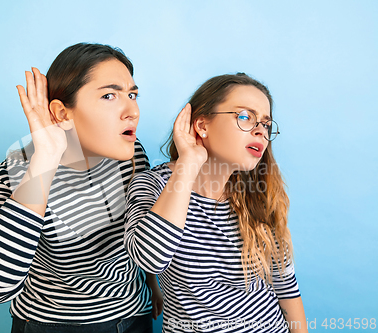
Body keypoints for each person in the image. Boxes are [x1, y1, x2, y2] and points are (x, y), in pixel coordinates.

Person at [0, 43, 162, 333]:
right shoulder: (12, 175)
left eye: (132, 94)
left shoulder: (131, 155)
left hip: (133, 317)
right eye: (109, 95)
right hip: (53, 325)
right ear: (63, 113)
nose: (132, 110)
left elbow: (142, 226)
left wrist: (152, 283)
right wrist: (45, 160)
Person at [124, 73, 308, 332]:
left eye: (266, 124)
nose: (260, 131)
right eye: (245, 116)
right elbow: (150, 260)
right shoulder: (153, 185)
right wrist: (188, 162)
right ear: (202, 125)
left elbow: (285, 287)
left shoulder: (260, 192)